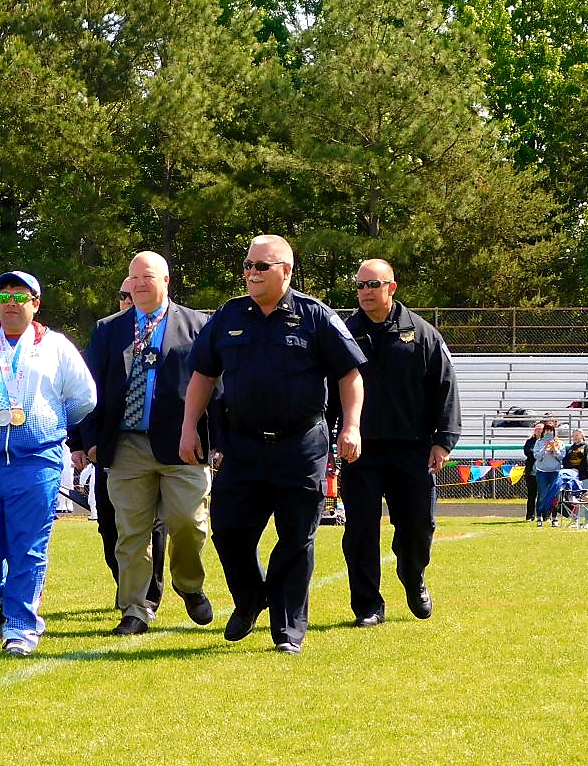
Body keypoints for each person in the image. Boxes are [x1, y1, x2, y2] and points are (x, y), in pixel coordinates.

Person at [180, 235, 365, 655]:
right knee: (229, 529)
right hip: (243, 446)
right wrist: (189, 428)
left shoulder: (315, 316)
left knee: (296, 538)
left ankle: (287, 630)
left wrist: (351, 426)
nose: (251, 273)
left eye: (261, 266)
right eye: (247, 265)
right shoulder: (229, 315)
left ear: (286, 270)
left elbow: (349, 375)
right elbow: (203, 375)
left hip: (300, 447)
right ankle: (250, 598)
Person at [0, 271, 96, 656]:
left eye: (20, 297)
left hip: (36, 461)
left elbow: (85, 398)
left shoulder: (55, 346)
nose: (11, 303)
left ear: (35, 304)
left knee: (28, 545)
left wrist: (49, 421)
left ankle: (22, 628)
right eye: (5, 296)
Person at [79, 251, 216, 635]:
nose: (140, 284)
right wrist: (90, 440)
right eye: (134, 277)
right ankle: (135, 610)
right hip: (126, 446)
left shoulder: (198, 325)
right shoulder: (109, 329)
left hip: (184, 444)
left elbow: (217, 387)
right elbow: (90, 389)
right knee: (131, 533)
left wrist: (215, 441)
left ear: (166, 280)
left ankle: (188, 584)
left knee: (189, 523)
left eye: (148, 276)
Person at [338, 259, 461, 626]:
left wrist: (443, 441)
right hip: (361, 450)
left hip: (412, 449)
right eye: (360, 285)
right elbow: (329, 388)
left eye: (373, 285)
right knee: (360, 530)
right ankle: (367, 606)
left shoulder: (422, 334)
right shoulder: (344, 333)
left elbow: (445, 387)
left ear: (391, 288)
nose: (365, 292)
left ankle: (412, 574)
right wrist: (329, 436)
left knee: (418, 527)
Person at [531, 421, 564, 527]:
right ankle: (539, 517)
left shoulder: (559, 442)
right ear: (543, 432)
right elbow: (537, 457)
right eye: (546, 431)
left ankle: (554, 518)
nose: (548, 433)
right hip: (542, 472)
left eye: (551, 431)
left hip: (555, 472)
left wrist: (555, 449)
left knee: (555, 495)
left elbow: (561, 457)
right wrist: (544, 448)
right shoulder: (539, 442)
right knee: (542, 495)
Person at [521, 421, 542, 521]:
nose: (538, 431)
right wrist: (539, 454)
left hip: (544, 472)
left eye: (540, 429)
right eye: (537, 429)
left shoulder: (546, 441)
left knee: (543, 495)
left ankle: (542, 515)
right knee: (531, 495)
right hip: (532, 472)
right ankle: (530, 515)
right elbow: (527, 452)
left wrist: (539, 454)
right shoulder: (530, 441)